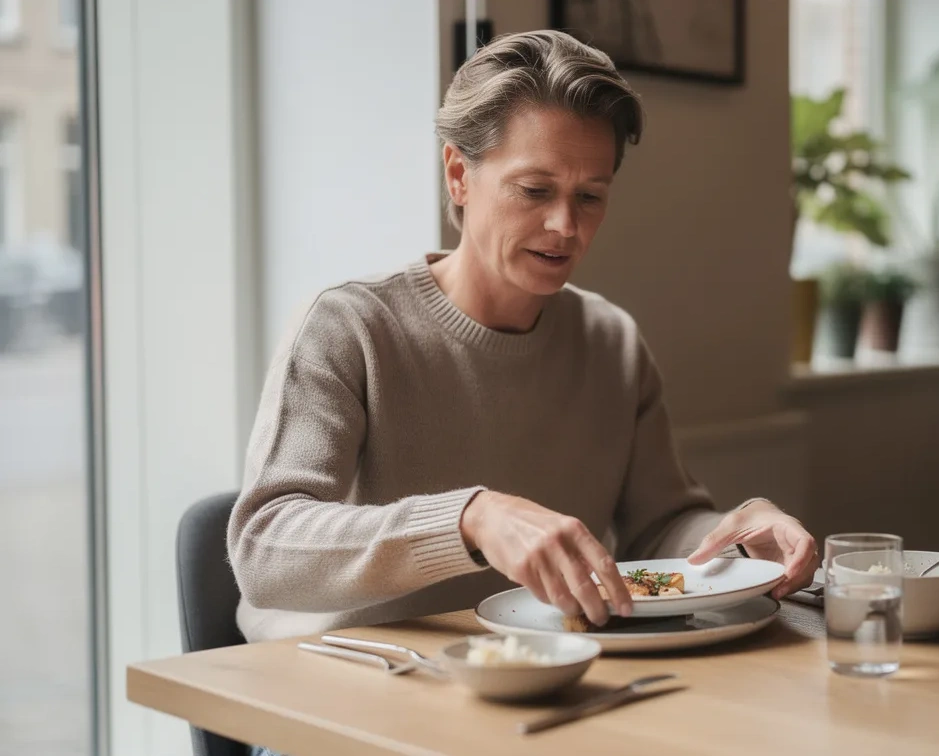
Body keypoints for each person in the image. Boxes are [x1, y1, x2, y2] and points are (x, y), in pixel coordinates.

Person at [226, 29, 818, 650]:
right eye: (535, 190)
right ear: (459, 174)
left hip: (538, 669)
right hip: (340, 677)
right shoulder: (349, 326)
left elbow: (660, 528)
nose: (565, 225)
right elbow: (263, 549)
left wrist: (735, 540)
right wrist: (470, 519)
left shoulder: (611, 342)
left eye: (589, 196)